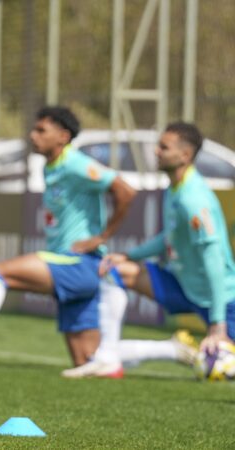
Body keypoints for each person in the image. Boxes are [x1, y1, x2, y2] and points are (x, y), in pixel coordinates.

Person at [0, 106, 136, 378]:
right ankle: (173, 351)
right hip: (71, 266)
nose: (32, 135)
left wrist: (101, 237)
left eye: (41, 130)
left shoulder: (75, 163)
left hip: (77, 263)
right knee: (90, 362)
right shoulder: (52, 166)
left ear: (62, 136)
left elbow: (125, 191)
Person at [96, 122, 233, 369]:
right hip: (182, 286)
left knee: (226, 364)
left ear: (185, 155)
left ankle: (179, 349)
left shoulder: (194, 198)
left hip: (222, 299)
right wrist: (128, 255)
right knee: (115, 272)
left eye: (163, 147)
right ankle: (106, 358)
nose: (156, 151)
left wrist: (218, 325)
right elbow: (168, 237)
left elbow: (214, 262)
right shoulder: (175, 188)